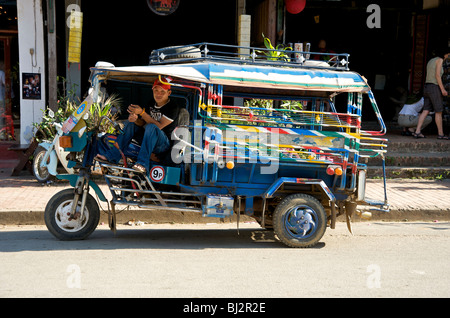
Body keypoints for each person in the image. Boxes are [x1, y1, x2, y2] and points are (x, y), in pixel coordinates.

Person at [95, 76, 181, 173]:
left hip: (163, 145)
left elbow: (159, 126)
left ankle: (142, 164)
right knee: (130, 124)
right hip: (148, 139)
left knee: (151, 127)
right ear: (152, 90)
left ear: (169, 93)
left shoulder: (173, 107)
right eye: (156, 91)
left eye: (162, 92)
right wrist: (135, 120)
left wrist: (142, 113)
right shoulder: (151, 103)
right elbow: (142, 122)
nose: (158, 94)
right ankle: (111, 156)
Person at [413, 49, 450, 139]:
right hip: (434, 87)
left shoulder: (431, 61)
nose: (448, 57)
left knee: (426, 110)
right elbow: (437, 75)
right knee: (439, 111)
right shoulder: (440, 60)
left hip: (427, 87)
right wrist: (442, 89)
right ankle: (441, 134)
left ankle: (417, 132)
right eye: (448, 55)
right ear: (445, 54)